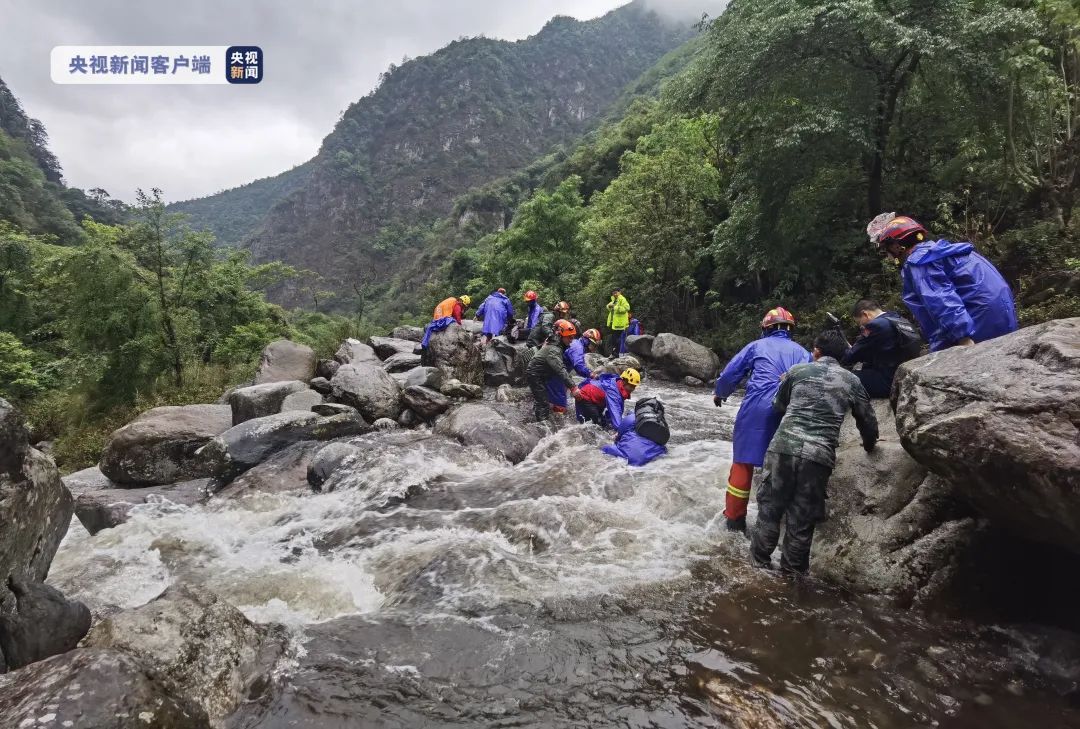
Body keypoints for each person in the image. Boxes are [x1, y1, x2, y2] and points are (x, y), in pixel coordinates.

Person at [749, 330, 878, 575]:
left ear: (816, 352)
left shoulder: (798, 371)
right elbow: (867, 420)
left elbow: (778, 404)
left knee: (769, 510)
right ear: (842, 356)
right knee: (801, 519)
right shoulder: (852, 381)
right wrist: (870, 445)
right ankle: (791, 579)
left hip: (783, 448)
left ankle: (758, 568)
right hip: (818, 457)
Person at [713, 307, 813, 533]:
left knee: (743, 463)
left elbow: (730, 374)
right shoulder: (804, 353)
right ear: (790, 329)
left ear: (766, 328)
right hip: (791, 410)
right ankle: (776, 523)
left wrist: (720, 393)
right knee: (783, 465)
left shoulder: (756, 346)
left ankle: (735, 520)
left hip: (756, 409)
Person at [867, 213, 1018, 351]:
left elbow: (941, 300)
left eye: (886, 250)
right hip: (1003, 319)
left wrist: (963, 339)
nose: (887, 256)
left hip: (977, 328)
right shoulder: (948, 251)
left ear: (896, 245)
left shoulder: (920, 261)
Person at [841, 299, 922, 398]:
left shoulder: (875, 325)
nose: (861, 326)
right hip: (908, 375)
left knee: (842, 378)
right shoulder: (899, 319)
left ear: (865, 314)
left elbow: (851, 356)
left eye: (859, 323)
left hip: (890, 382)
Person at [525, 319, 580, 421]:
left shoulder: (556, 343)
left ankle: (537, 417)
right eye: (569, 337)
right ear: (561, 336)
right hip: (535, 375)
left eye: (573, 337)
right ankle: (541, 426)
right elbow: (560, 369)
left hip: (543, 373)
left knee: (542, 399)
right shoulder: (554, 349)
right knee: (543, 403)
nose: (572, 340)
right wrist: (573, 387)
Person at [574, 368, 638, 428]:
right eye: (631, 386)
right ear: (624, 381)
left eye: (634, 386)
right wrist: (620, 430)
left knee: (603, 424)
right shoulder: (613, 391)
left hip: (595, 400)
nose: (633, 389)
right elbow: (614, 410)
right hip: (585, 398)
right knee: (595, 426)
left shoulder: (619, 385)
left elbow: (618, 409)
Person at [601, 408, 667, 466]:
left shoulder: (631, 419)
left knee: (605, 448)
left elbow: (619, 434)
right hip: (656, 455)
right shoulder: (656, 424)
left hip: (633, 459)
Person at [605, 289, 631, 357]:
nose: (615, 294)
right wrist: (609, 306)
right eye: (613, 293)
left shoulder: (622, 299)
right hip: (614, 323)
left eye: (616, 293)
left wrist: (615, 307)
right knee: (614, 339)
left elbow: (627, 308)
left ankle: (616, 354)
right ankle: (614, 353)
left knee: (616, 340)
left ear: (620, 292)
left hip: (620, 323)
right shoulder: (614, 300)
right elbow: (609, 307)